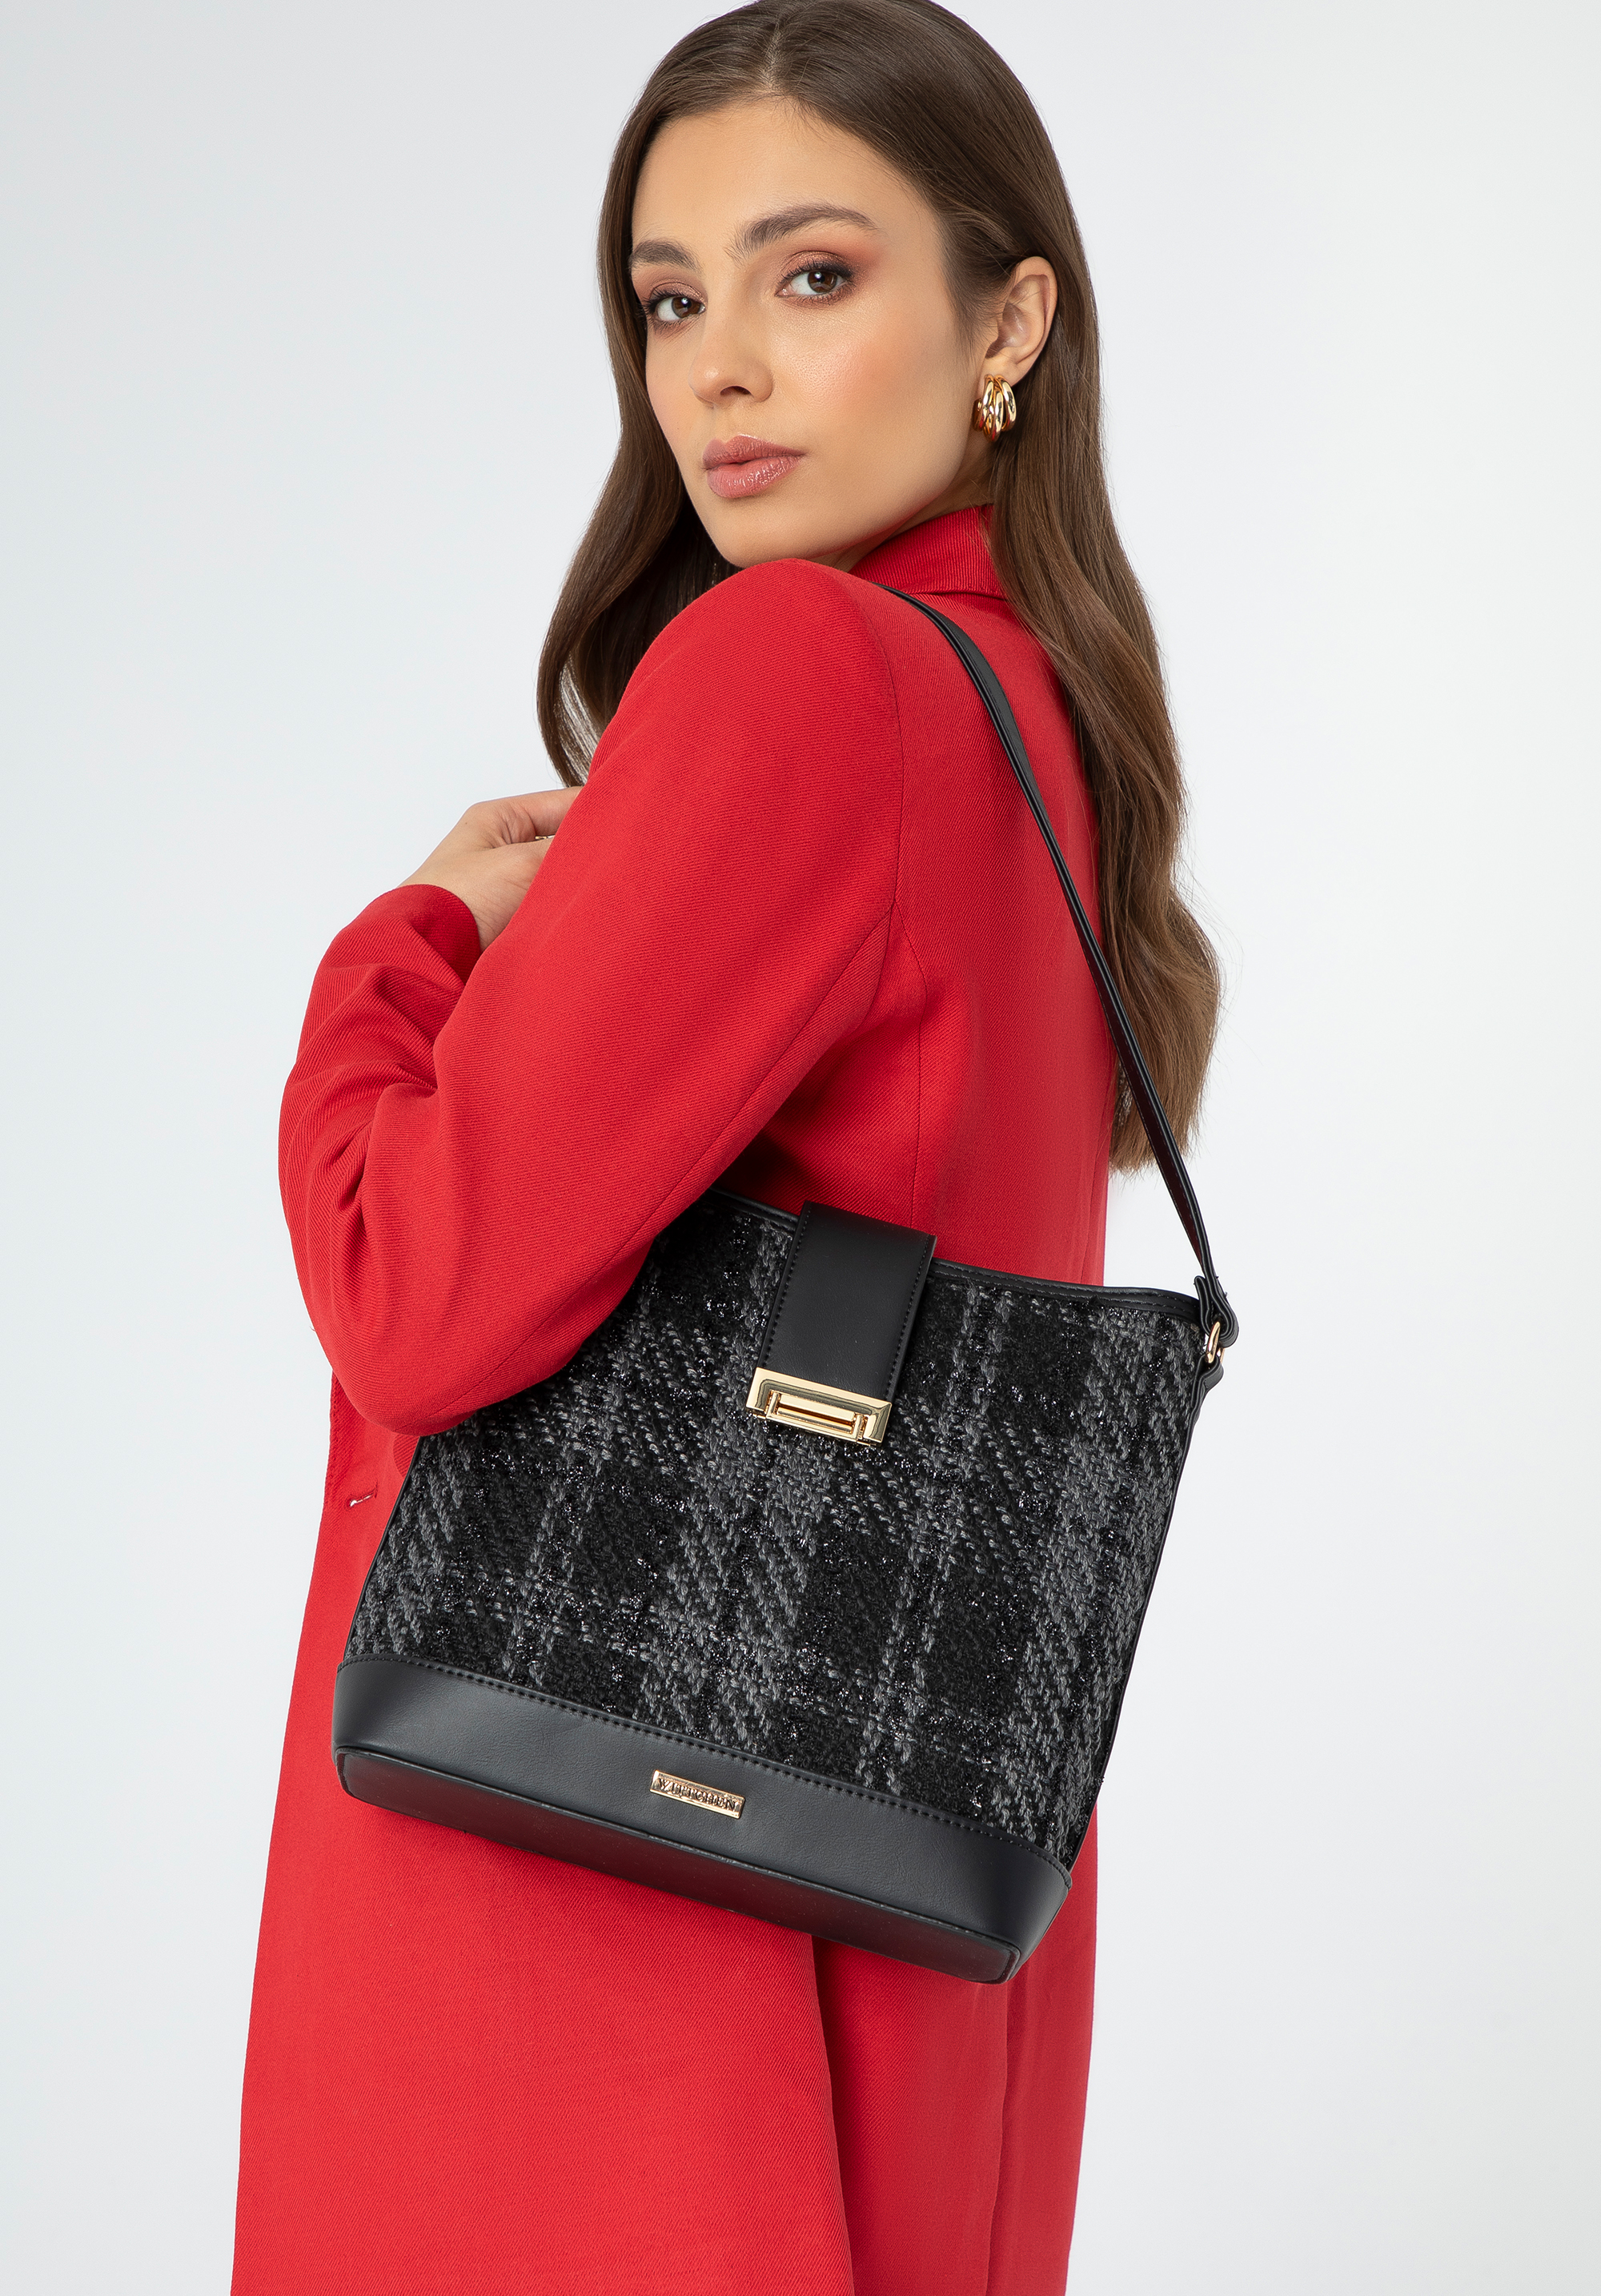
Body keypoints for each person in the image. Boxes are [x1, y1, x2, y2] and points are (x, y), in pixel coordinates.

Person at [232, 4, 1220, 2289]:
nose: (721, 373)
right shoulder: (1033, 717)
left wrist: (403, 947)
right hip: (889, 1886)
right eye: (671, 302)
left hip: (620, 1937)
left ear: (1010, 321)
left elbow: (416, 1296)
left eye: (814, 275)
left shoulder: (804, 669)